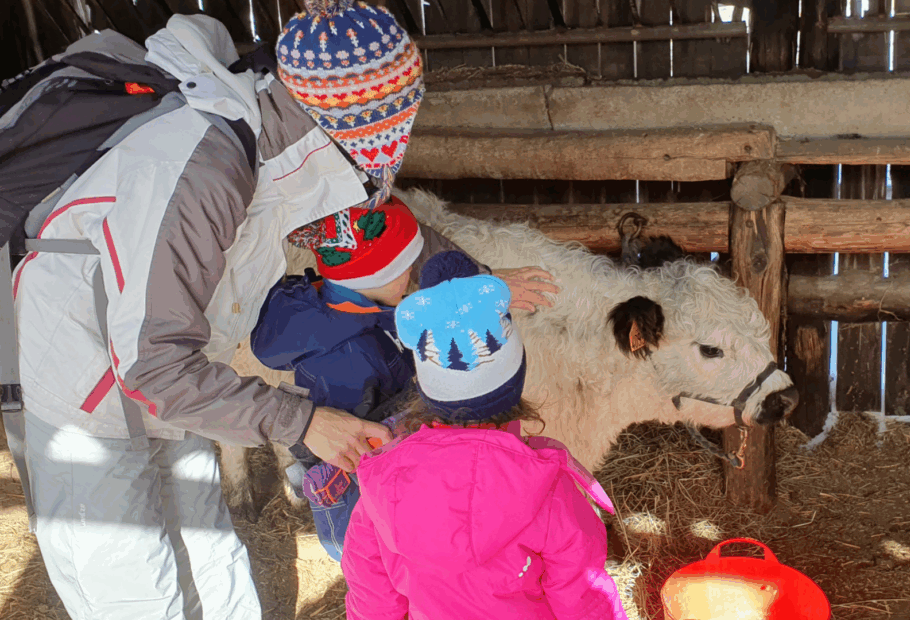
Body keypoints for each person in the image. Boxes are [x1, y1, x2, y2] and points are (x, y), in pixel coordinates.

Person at [9, 3, 558, 618]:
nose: (396, 146)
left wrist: (470, 284)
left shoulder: (296, 151)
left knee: (206, 546)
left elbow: (380, 226)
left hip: (188, 373)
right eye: (394, 123)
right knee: (131, 582)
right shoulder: (205, 173)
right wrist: (304, 424)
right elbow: (152, 367)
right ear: (354, 119)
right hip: (92, 384)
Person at [341, 251, 628, 620]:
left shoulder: (381, 489)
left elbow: (372, 602)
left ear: (425, 391)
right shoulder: (549, 490)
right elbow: (585, 602)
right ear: (516, 383)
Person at [251, 195, 435, 561]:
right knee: (372, 560)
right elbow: (363, 447)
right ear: (372, 277)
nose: (411, 276)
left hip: (363, 477)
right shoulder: (349, 357)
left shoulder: (341, 311)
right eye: (403, 268)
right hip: (359, 493)